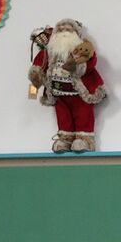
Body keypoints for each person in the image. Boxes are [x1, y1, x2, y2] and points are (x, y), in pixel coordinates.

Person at [28, 18, 107, 152]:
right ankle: (65, 139)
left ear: (76, 33)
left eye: (68, 30)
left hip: (79, 94)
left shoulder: (82, 49)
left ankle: (84, 139)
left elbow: (90, 63)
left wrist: (78, 65)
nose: (64, 32)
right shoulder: (49, 51)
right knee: (63, 116)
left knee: (83, 114)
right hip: (59, 94)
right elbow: (40, 64)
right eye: (61, 30)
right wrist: (36, 76)